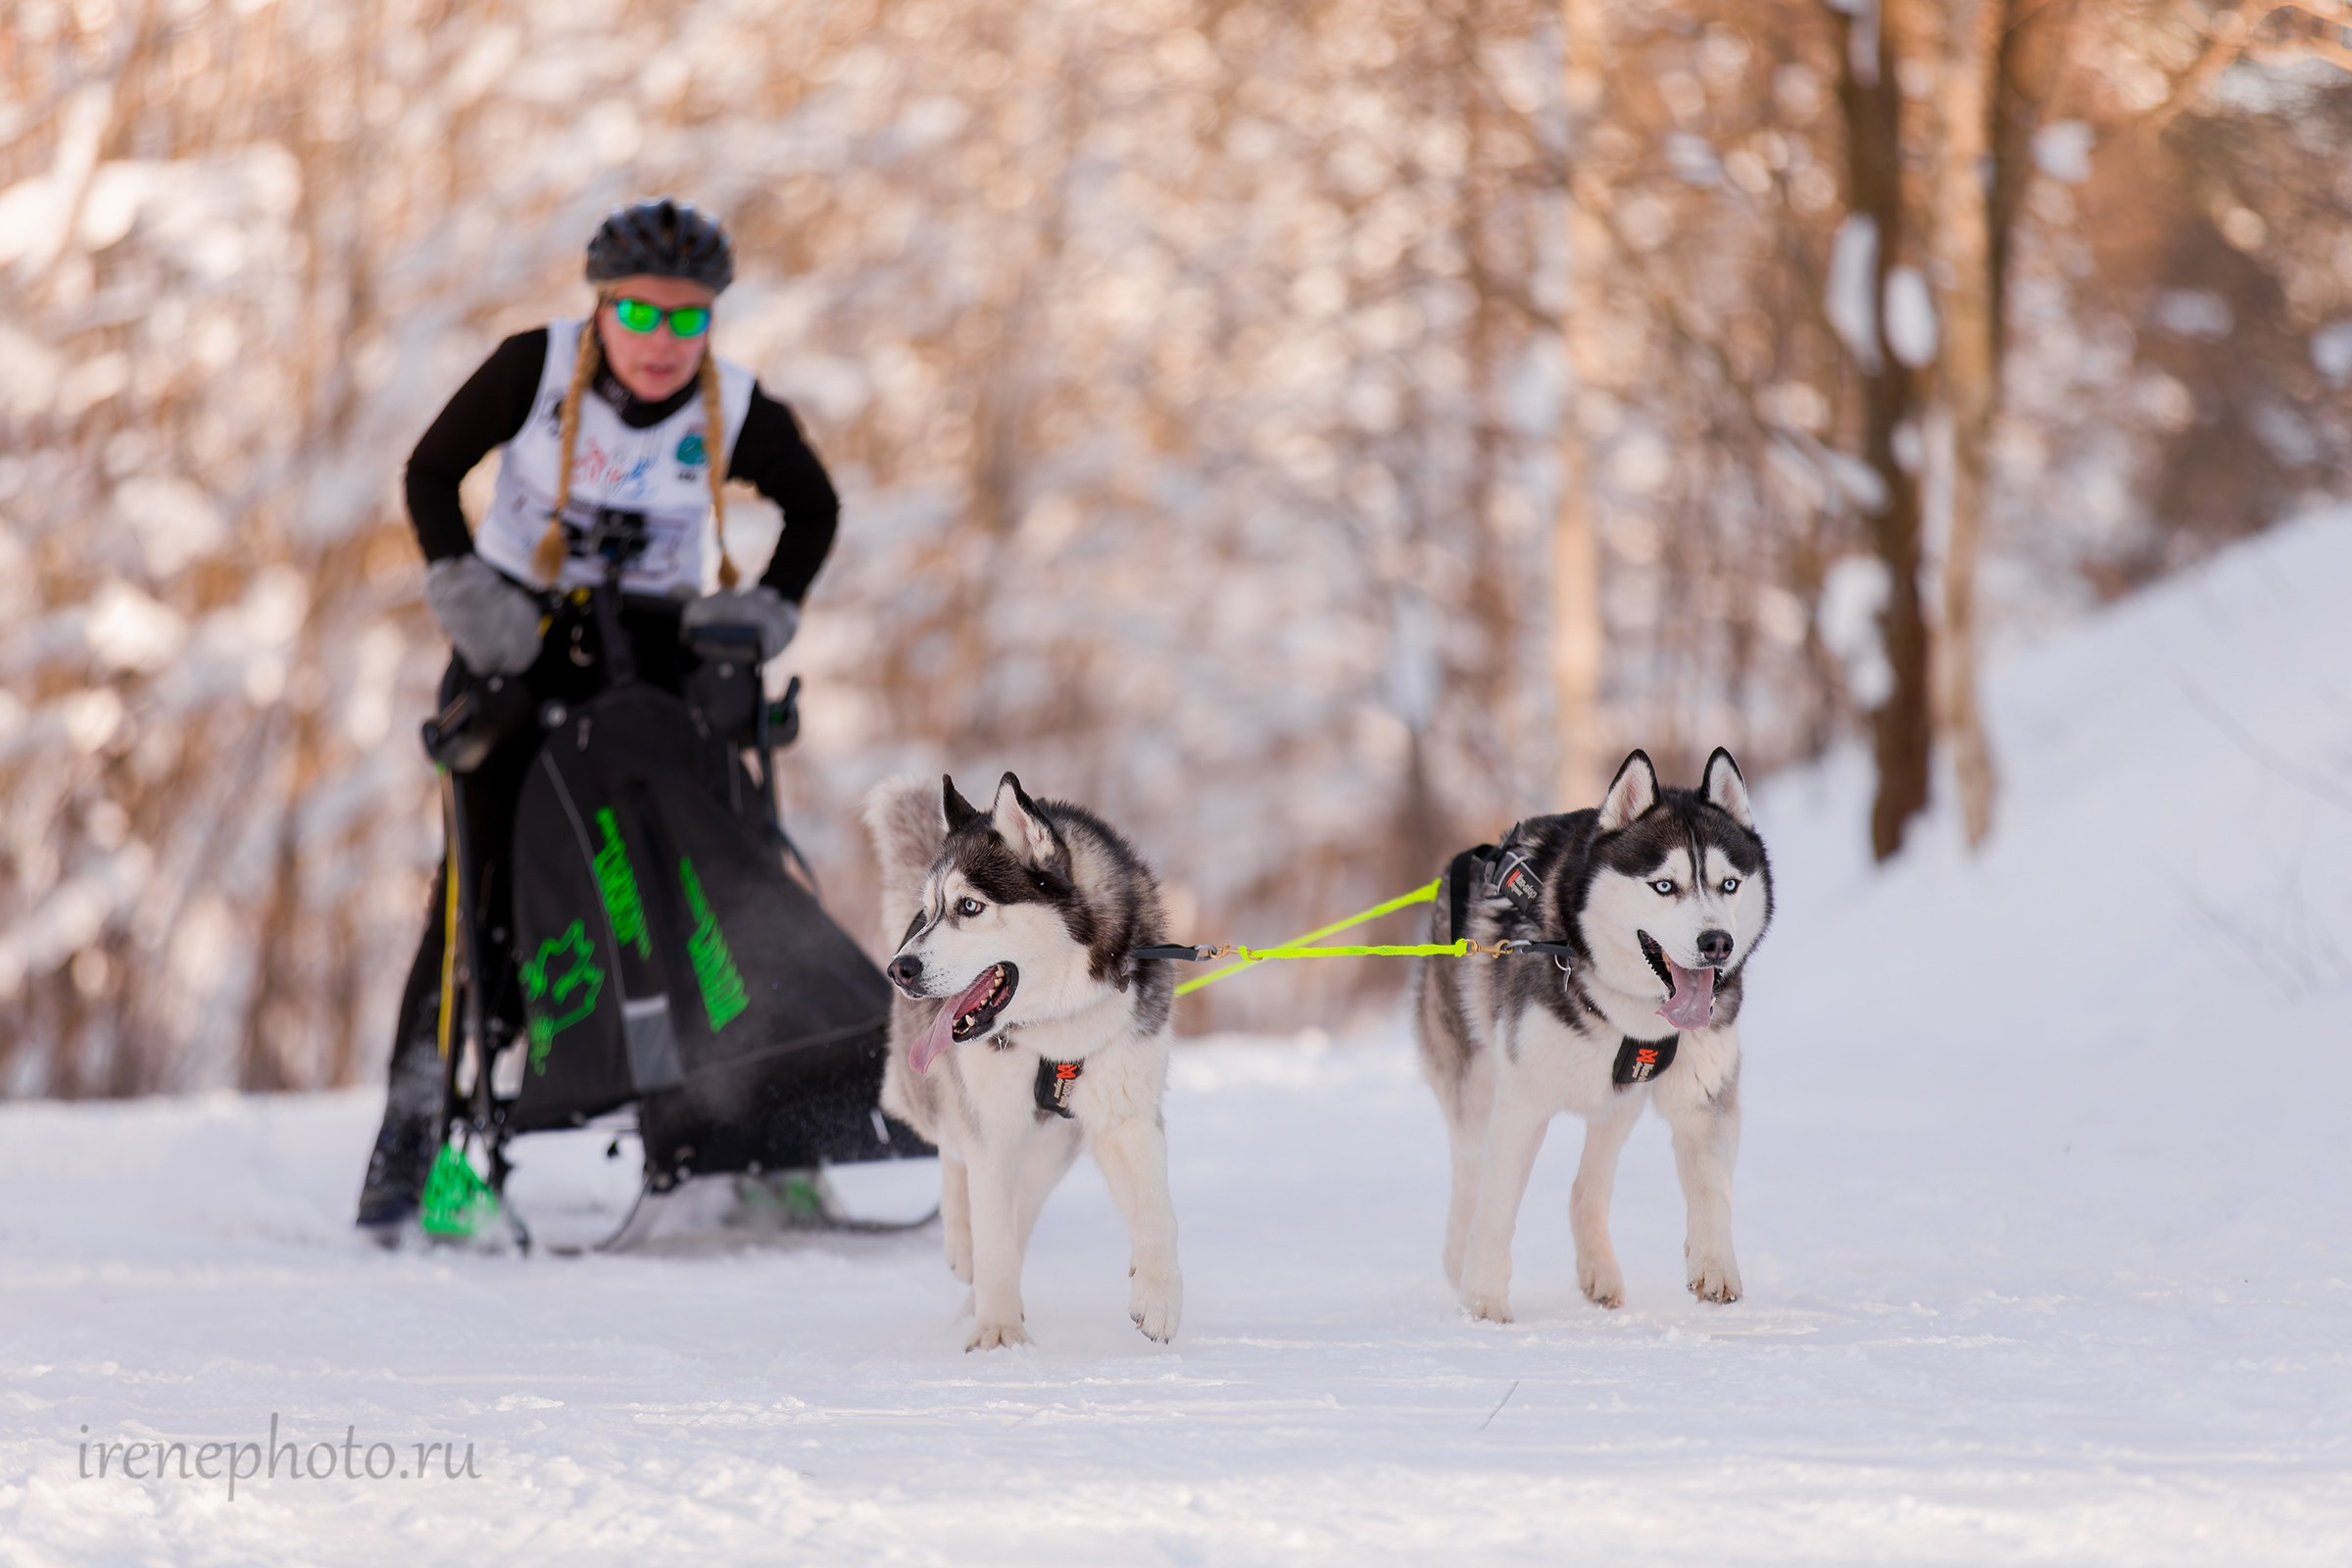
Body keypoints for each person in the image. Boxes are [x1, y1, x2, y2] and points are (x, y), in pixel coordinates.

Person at [355, 198, 840, 1233]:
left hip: (659, 658)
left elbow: (816, 506)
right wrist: (466, 595)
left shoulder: (733, 403)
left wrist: (758, 616)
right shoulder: (532, 370)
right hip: (517, 651)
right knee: (477, 896)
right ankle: (420, 1151)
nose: (664, 342)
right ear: (602, 308)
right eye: (641, 316)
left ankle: (754, 1134)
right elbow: (430, 472)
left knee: (717, 872)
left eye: (688, 320)